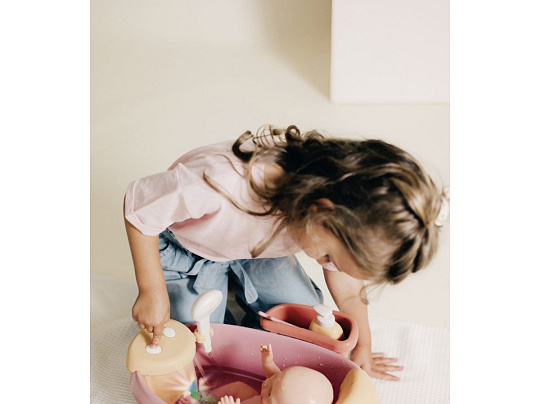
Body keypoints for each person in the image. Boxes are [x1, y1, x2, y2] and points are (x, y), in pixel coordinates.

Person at [124, 125, 448, 381]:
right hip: (187, 249)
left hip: (258, 251)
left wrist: (362, 344)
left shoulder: (333, 212)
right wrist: (151, 290)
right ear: (321, 212)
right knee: (193, 349)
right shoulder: (218, 184)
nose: (329, 266)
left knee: (309, 332)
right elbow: (138, 209)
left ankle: (238, 293)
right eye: (328, 259)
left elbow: (350, 290)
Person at [175, 345, 334, 404]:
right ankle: (206, 395)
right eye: (275, 379)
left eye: (270, 393)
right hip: (249, 402)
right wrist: (267, 361)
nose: (265, 383)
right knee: (239, 386)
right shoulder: (278, 396)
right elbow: (274, 375)